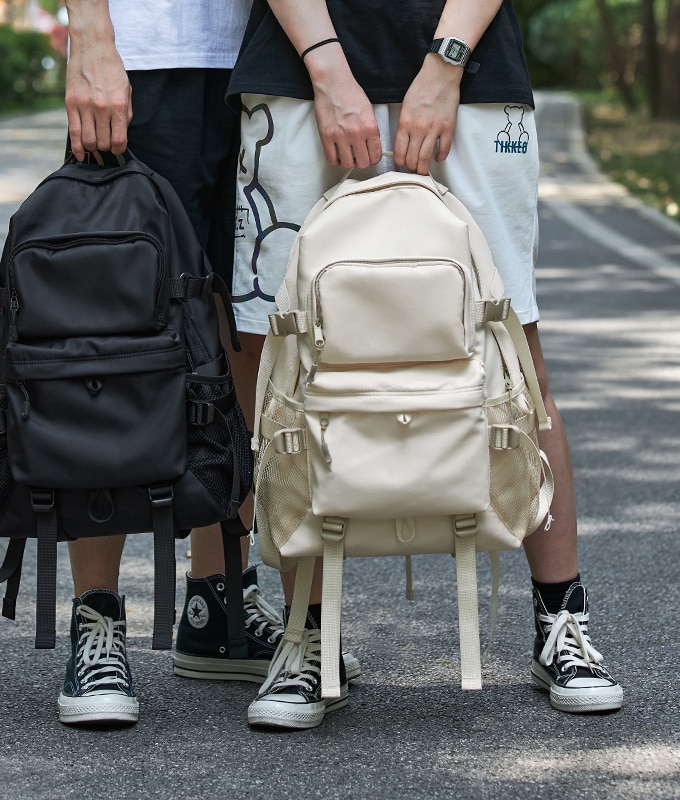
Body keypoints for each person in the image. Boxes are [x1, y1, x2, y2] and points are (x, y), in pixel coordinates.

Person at [224, 0, 624, 730]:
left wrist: (446, 60)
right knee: (290, 361)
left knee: (511, 351)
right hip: (298, 73)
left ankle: (562, 623)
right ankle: (306, 637)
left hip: (471, 79)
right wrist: (326, 64)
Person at [56, 0, 291, 726]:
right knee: (116, 336)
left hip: (269, 64)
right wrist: (91, 35)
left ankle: (217, 603)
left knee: (247, 335)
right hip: (145, 57)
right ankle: (97, 620)